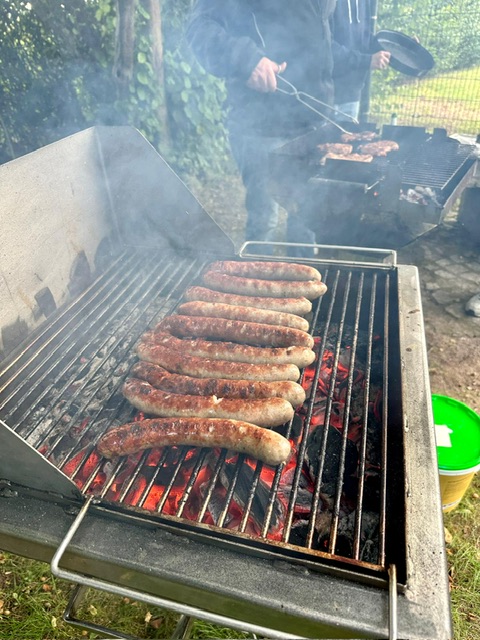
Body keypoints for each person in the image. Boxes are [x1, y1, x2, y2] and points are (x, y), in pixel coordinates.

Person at [186, 0, 337, 254]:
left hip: (314, 122)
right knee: (264, 222)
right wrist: (247, 60)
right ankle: (255, 277)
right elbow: (199, 27)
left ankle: (304, 277)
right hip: (262, 125)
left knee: (307, 220)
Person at [331, 0, 391, 121]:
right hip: (324, 95)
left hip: (352, 93)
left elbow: (365, 37)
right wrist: (366, 60)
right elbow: (325, 46)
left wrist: (397, 49)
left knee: (347, 133)